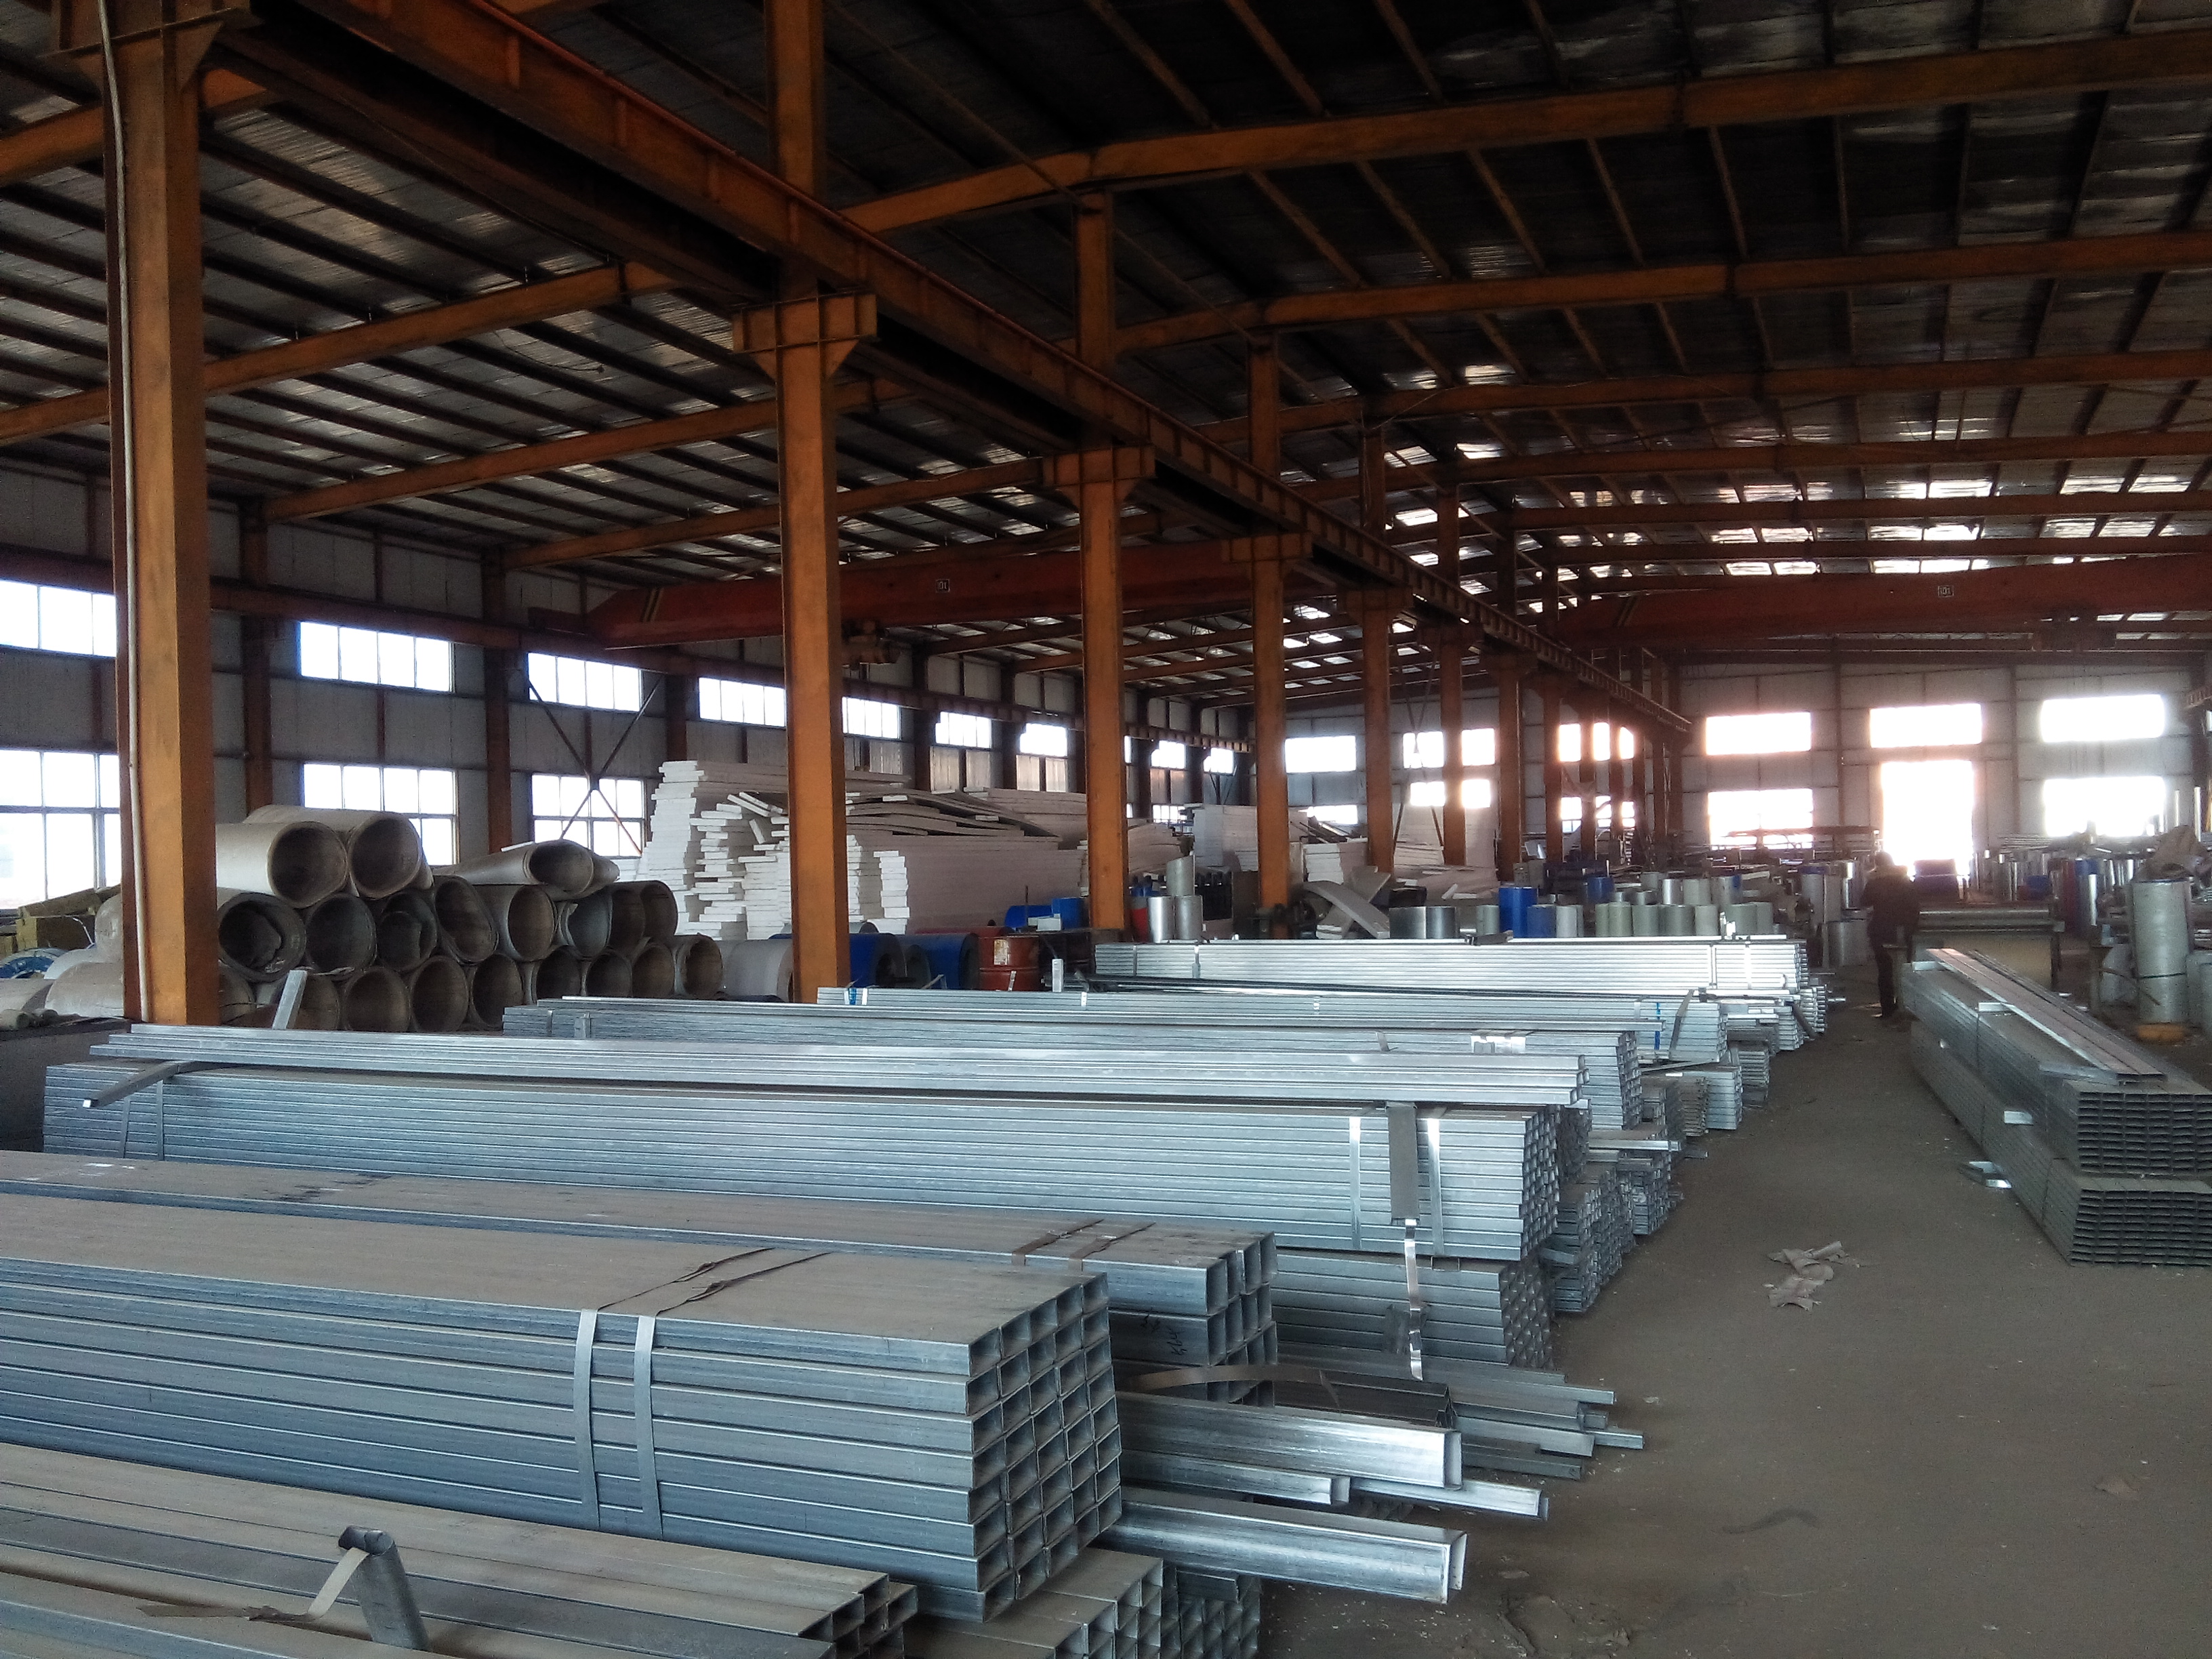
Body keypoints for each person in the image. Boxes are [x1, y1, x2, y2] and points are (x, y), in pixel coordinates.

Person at [1864, 852, 1921, 1020]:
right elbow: (1915, 907)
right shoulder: (1905, 881)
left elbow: (1864, 902)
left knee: (1885, 971)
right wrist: (1910, 927)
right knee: (1906, 968)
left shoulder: (1874, 882)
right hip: (1904, 930)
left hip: (1881, 930)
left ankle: (1888, 1010)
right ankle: (1908, 1006)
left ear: (1877, 864)